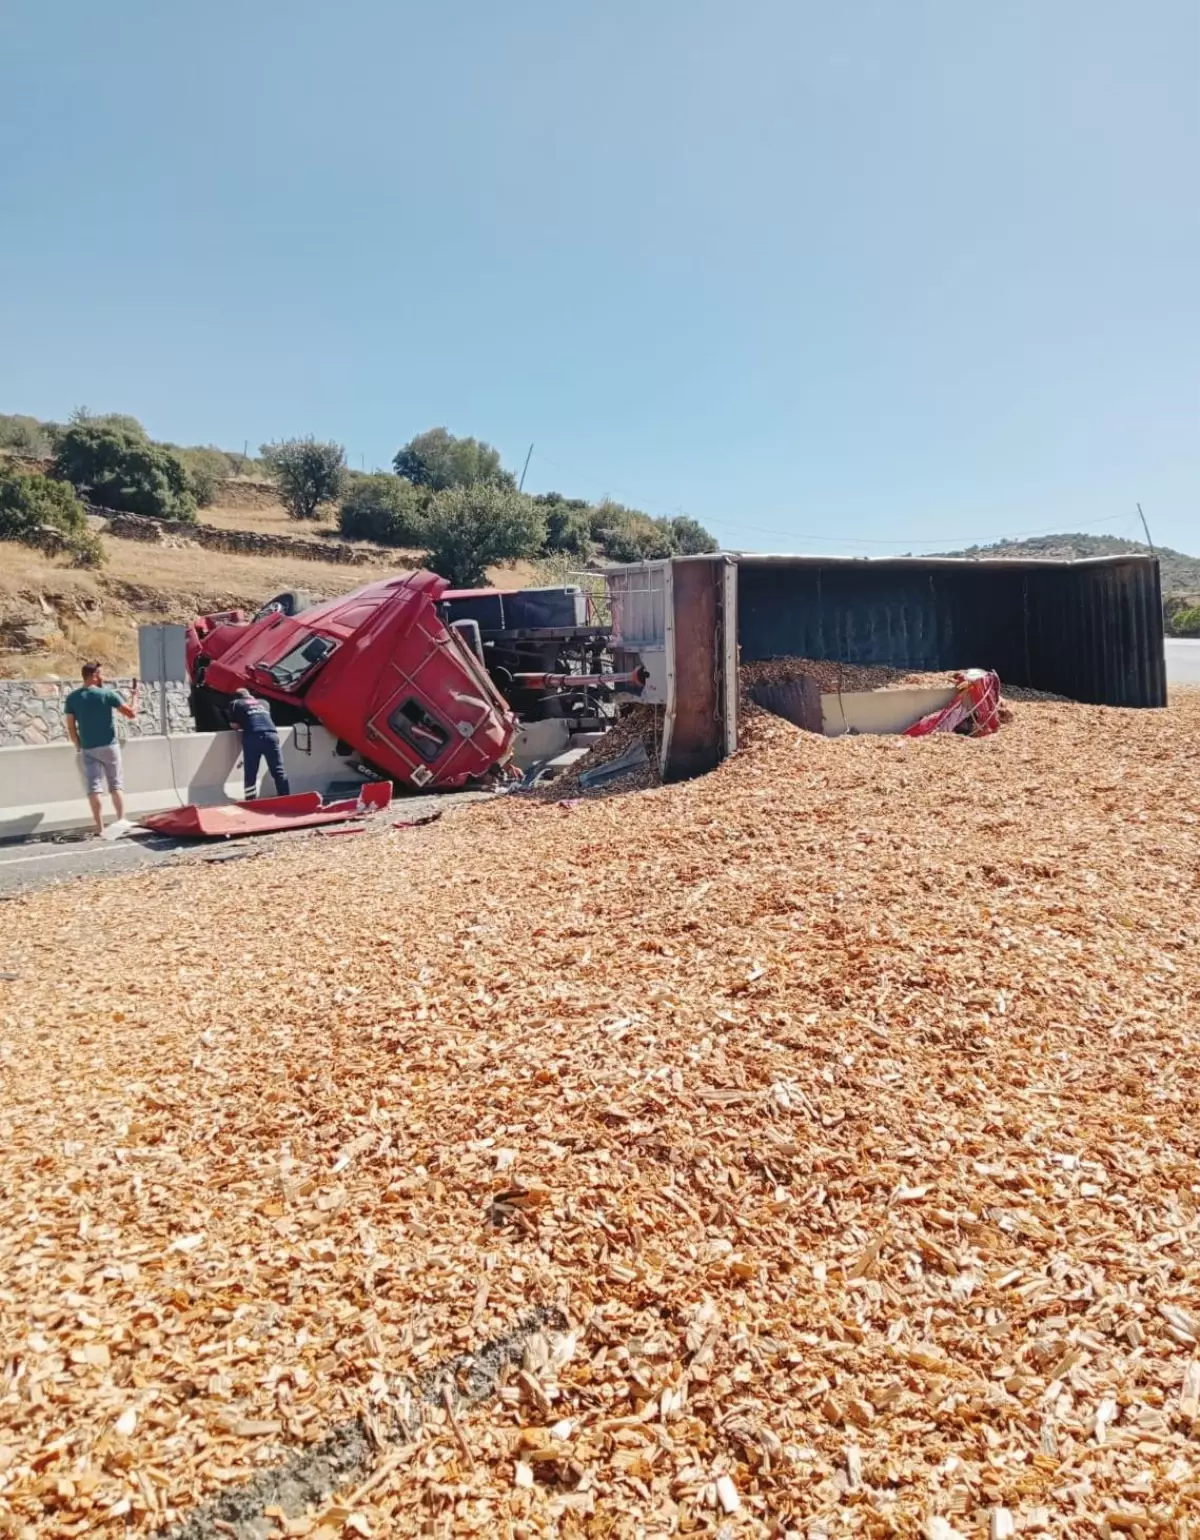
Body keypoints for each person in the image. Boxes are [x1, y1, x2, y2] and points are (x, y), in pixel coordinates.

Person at [64, 663, 140, 837]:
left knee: (94, 787)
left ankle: (100, 827)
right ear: (94, 675)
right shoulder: (107, 694)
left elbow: (70, 727)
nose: (102, 677)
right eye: (100, 674)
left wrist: (78, 745)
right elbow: (131, 714)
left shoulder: (72, 698)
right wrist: (135, 697)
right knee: (115, 784)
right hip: (109, 746)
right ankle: (121, 820)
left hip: (88, 748)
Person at [227, 687, 291, 800]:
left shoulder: (236, 703)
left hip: (253, 737)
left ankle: (251, 800)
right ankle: (285, 797)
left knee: (251, 772)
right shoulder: (264, 702)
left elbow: (234, 725)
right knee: (278, 770)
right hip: (272, 736)